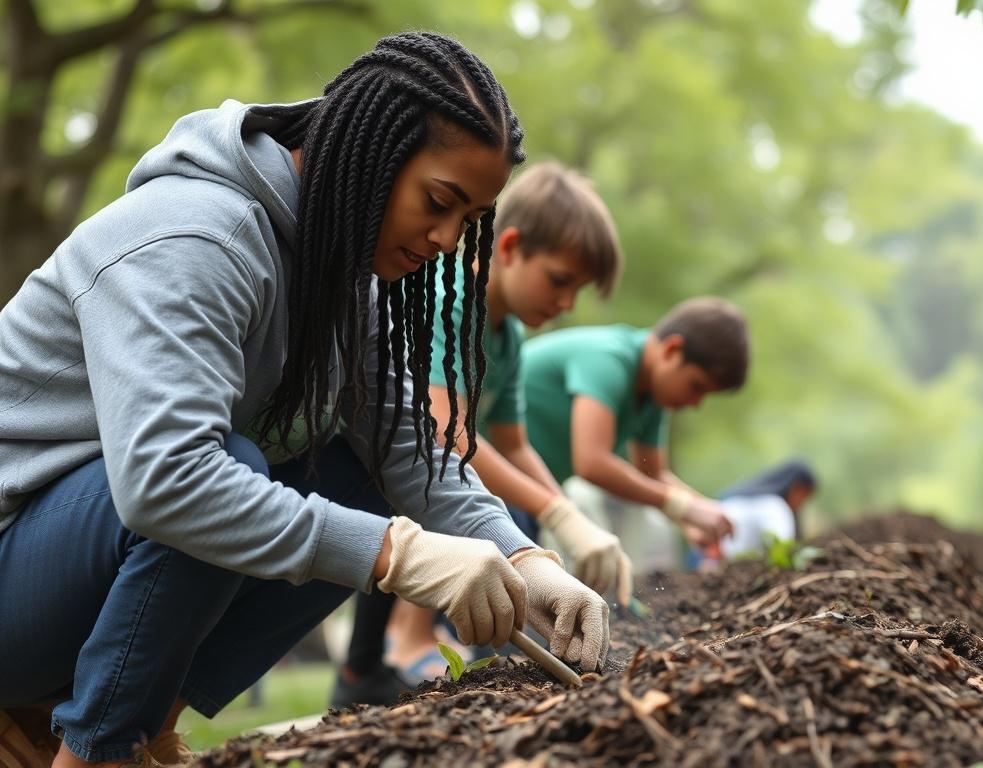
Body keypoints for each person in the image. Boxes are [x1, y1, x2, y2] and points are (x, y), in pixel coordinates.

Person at [0, 32, 609, 768]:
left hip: (65, 575)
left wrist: (524, 557)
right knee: (224, 466)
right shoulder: (196, 238)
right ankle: (99, 753)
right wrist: (396, 554)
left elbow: (407, 448)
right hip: (14, 567)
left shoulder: (344, 277)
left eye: (469, 219)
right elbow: (166, 481)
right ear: (370, 155)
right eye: (439, 202)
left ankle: (135, 725)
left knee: (362, 472)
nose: (449, 240)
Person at [332, 162, 629, 702]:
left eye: (578, 290)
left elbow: (513, 444)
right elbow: (444, 431)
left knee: (515, 518)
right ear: (509, 247)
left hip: (415, 469)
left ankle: (419, 657)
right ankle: (378, 659)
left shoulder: (507, 335)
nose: (567, 303)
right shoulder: (448, 297)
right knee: (424, 491)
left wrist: (570, 517)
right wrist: (556, 512)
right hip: (362, 464)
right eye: (560, 280)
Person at [520, 297, 750, 574]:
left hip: (527, 492)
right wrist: (684, 508)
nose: (696, 403)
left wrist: (697, 514)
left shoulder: (652, 394)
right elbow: (591, 463)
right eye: (696, 386)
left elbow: (653, 474)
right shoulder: (609, 360)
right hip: (485, 478)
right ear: (672, 350)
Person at [712, 459, 818, 561]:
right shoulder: (774, 507)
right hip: (719, 559)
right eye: (803, 496)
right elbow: (782, 548)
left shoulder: (739, 499)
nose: (802, 503)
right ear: (796, 488)